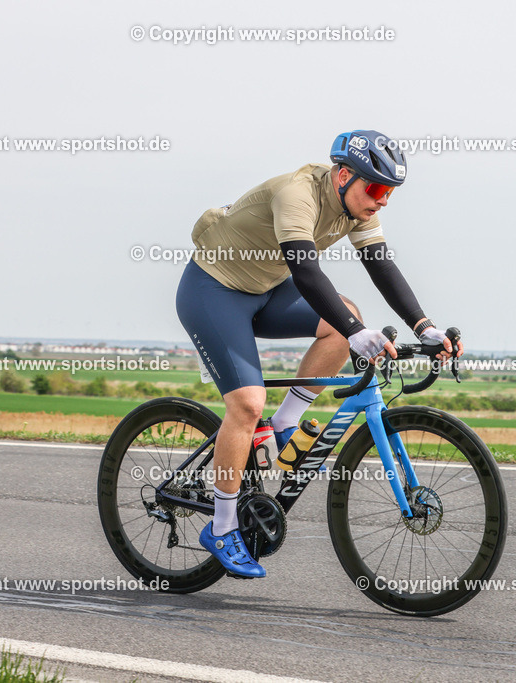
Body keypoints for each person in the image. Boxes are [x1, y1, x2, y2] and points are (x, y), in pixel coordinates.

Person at [175, 130, 462, 578]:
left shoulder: (355, 206)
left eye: (390, 192)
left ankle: (285, 422)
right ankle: (223, 526)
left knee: (344, 318)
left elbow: (381, 264)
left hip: (266, 290)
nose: (383, 200)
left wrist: (425, 327)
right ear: (344, 176)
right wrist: (356, 334)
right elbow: (307, 272)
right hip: (214, 290)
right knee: (247, 405)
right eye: (377, 189)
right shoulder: (298, 194)